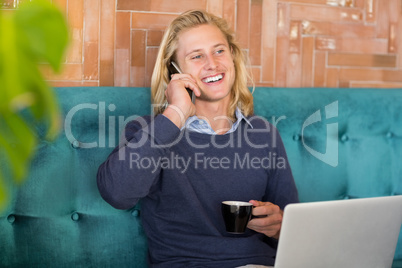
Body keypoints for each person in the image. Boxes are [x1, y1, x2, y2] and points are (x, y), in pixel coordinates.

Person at [97, 9, 299, 268]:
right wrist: (175, 114)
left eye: (219, 51)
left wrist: (280, 226)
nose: (212, 64)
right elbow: (117, 193)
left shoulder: (264, 134)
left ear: (233, 57)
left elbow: (294, 228)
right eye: (197, 56)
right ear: (175, 71)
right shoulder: (150, 131)